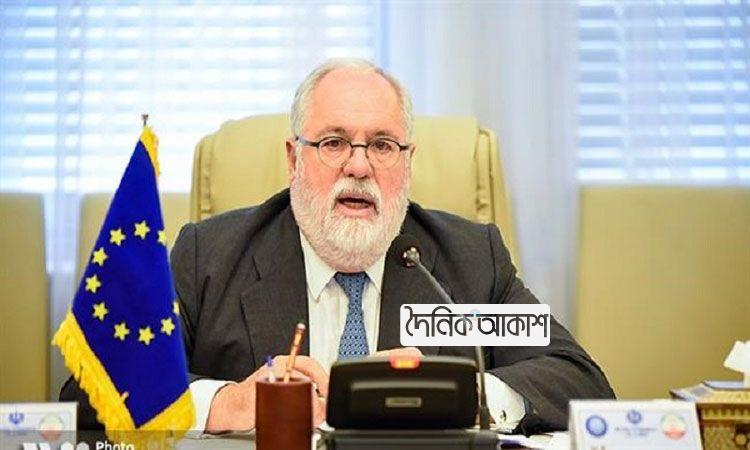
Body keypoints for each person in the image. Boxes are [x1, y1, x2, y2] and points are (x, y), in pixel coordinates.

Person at [62, 58, 614, 434]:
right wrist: (224, 403)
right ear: (294, 159)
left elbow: (580, 380)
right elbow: (88, 393)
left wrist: (464, 396)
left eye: (383, 145)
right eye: (333, 142)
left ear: (408, 163)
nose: (359, 166)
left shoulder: (469, 261)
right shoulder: (210, 256)